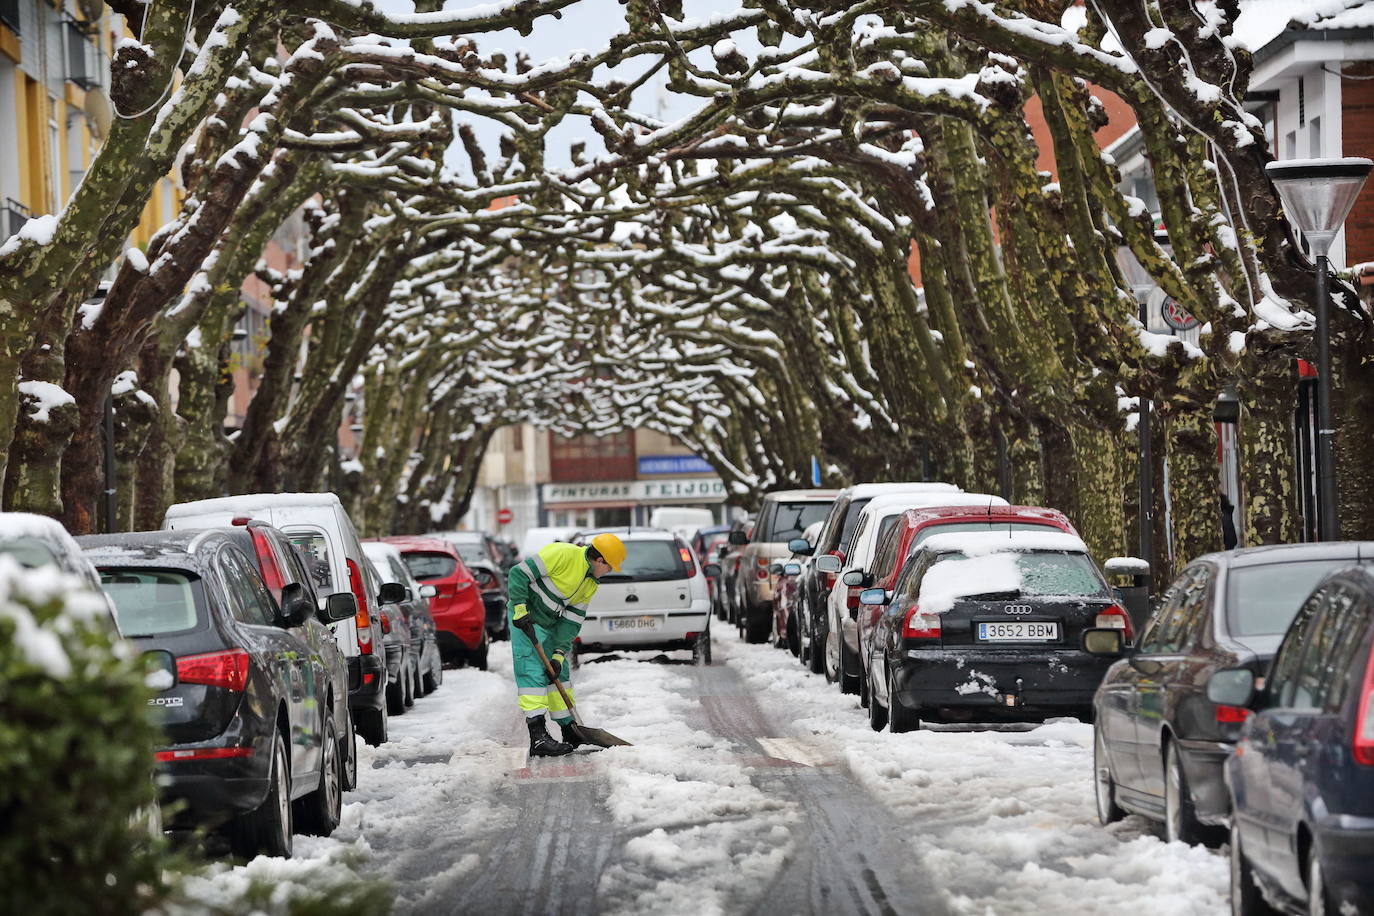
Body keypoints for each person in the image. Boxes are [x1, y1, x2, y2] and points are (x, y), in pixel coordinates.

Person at [507, 532, 627, 756]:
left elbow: (572, 621)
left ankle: (568, 728)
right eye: (610, 567)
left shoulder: (591, 583)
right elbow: (518, 574)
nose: (609, 572)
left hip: (552, 624)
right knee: (532, 672)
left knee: (557, 674)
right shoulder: (562, 553)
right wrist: (521, 608)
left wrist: (559, 653)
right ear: (600, 560)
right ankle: (538, 737)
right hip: (525, 618)